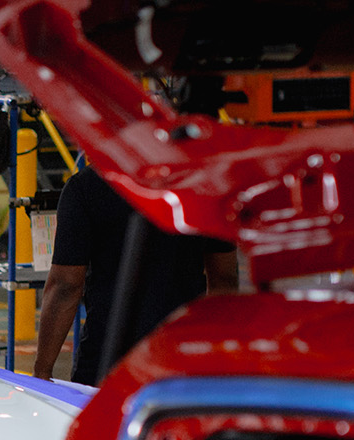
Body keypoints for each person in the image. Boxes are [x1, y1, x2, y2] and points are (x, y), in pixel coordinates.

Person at [32, 161, 236, 386]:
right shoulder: (204, 184)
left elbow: (66, 286)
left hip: (108, 359)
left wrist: (42, 370)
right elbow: (223, 279)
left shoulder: (87, 186)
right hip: (182, 356)